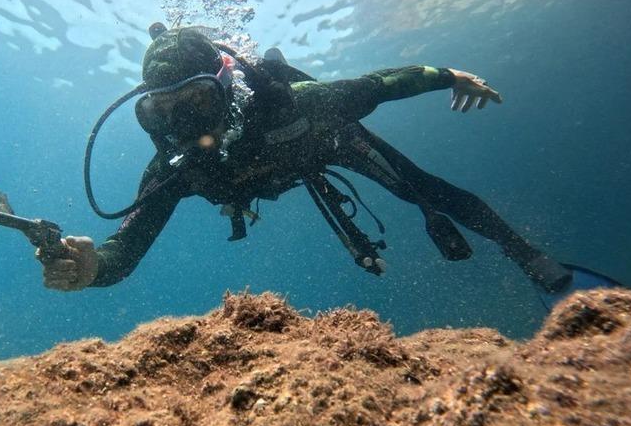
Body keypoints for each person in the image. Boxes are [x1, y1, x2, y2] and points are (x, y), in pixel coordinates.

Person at [36, 25, 600, 303]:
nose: (190, 127)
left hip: (325, 144)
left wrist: (448, 75)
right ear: (149, 114)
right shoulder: (174, 164)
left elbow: (379, 84)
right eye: (165, 113)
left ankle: (528, 254)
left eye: (199, 102)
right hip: (292, 159)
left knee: (424, 189)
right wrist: (92, 269)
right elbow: (125, 252)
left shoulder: (299, 103)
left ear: (227, 86)